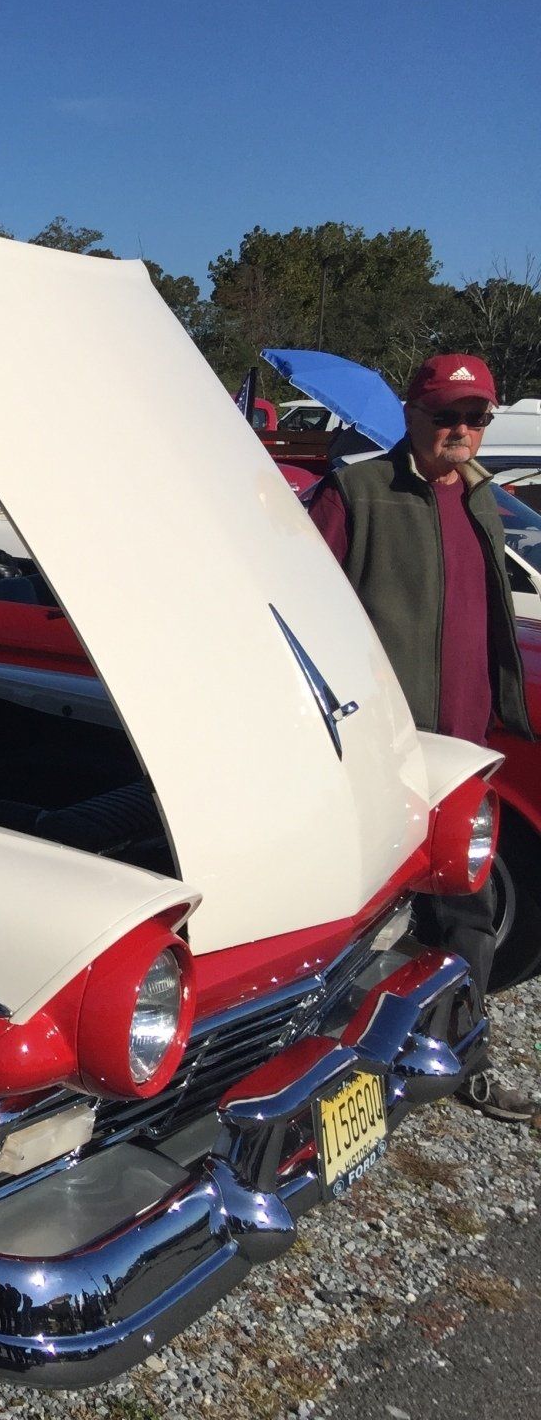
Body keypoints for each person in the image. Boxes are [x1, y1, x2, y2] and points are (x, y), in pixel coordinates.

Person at [309, 352, 534, 1122]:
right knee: (357, 922)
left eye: (476, 418)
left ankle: (460, 1060)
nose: (462, 431)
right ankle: (317, 1090)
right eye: (448, 416)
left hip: (461, 751)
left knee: (464, 920)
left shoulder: (480, 498)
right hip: (382, 752)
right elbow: (305, 617)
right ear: (410, 415)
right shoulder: (357, 493)